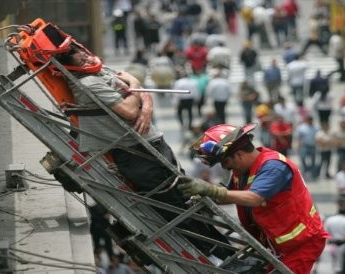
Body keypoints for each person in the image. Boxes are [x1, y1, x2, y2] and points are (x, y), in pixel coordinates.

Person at [54, 44, 232, 261]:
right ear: (72, 69)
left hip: (151, 147)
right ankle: (214, 254)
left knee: (186, 201)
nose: (89, 60)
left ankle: (224, 251)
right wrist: (137, 86)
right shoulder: (88, 82)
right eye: (82, 61)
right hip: (137, 154)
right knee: (175, 208)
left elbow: (140, 98)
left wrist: (144, 102)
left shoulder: (102, 72)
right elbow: (129, 110)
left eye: (87, 55)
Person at [178, 123, 330, 273]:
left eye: (225, 162)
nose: (225, 168)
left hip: (300, 244)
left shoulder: (273, 167)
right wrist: (204, 196)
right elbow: (231, 195)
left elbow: (254, 198)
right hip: (275, 244)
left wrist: (211, 190)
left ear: (239, 154)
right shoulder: (242, 170)